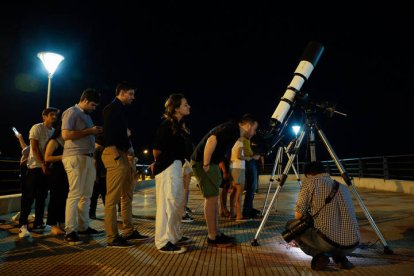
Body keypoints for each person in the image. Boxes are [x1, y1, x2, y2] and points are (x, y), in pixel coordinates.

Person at [190, 113, 258, 247]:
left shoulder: (233, 131)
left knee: (213, 199)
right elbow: (211, 140)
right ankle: (212, 237)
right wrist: (206, 163)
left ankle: (217, 233)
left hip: (211, 163)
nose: (254, 133)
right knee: (210, 199)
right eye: (255, 129)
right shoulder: (232, 129)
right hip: (203, 163)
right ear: (248, 125)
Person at [102, 81, 149, 248]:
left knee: (127, 196)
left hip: (124, 155)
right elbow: (107, 135)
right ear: (121, 92)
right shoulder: (111, 109)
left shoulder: (121, 110)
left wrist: (130, 154)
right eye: (130, 94)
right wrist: (116, 156)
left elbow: (122, 135)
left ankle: (128, 231)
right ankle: (112, 237)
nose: (133, 97)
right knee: (112, 199)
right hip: (115, 155)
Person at [290, 161, 360, 271]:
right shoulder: (342, 186)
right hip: (352, 244)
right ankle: (340, 258)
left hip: (328, 244)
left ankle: (320, 256)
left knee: (291, 226)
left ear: (308, 175)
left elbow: (298, 215)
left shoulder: (309, 183)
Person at [61, 88, 104, 245]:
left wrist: (94, 132)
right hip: (75, 156)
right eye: (92, 105)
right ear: (85, 100)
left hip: (87, 157)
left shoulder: (86, 116)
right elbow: (65, 135)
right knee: (75, 194)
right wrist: (90, 131)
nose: (94, 108)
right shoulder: (71, 112)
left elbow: (86, 133)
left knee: (86, 194)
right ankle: (70, 231)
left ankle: (83, 227)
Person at [152, 93, 192, 254]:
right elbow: (156, 151)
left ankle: (174, 236)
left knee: (176, 204)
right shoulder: (166, 126)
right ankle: (163, 241)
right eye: (185, 104)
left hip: (176, 167)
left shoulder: (179, 126)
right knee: (167, 205)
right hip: (168, 168)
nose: (188, 106)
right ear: (176, 108)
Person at [18, 107, 59, 238]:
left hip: (45, 169)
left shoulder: (53, 131)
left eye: (55, 115)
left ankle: (38, 223)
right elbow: (34, 149)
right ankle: (23, 225)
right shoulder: (36, 128)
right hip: (34, 167)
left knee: (42, 197)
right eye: (51, 115)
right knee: (28, 197)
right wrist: (43, 163)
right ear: (44, 116)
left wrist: (48, 166)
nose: (54, 117)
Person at [44, 121, 69, 235]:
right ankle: (53, 225)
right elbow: (47, 158)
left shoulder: (67, 142)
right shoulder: (54, 141)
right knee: (55, 199)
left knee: (64, 199)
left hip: (65, 173)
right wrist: (63, 157)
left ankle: (62, 223)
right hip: (56, 173)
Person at [11, 127, 31, 223]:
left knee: (27, 194)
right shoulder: (35, 145)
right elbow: (26, 149)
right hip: (26, 169)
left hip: (28, 169)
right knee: (27, 194)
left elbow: (25, 149)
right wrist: (20, 137)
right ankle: (22, 214)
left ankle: (22, 213)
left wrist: (20, 137)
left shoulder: (35, 146)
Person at [242, 138, 261, 218]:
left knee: (253, 188)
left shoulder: (247, 139)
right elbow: (245, 154)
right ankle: (246, 210)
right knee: (251, 188)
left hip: (251, 162)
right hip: (249, 162)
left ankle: (249, 208)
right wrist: (254, 156)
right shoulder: (243, 139)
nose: (254, 132)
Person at [89, 134, 106, 220]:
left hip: (98, 177)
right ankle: (109, 213)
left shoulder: (97, 149)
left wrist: (95, 176)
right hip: (103, 177)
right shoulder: (103, 149)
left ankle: (92, 213)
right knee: (105, 197)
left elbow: (94, 163)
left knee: (94, 197)